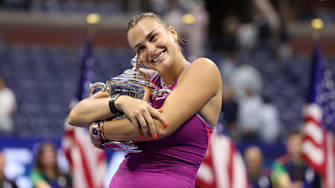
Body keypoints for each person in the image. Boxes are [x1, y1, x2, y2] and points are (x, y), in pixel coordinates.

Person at [67, 12, 223, 188]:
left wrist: (99, 130)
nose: (150, 49)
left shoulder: (203, 69)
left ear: (172, 32)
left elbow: (160, 126)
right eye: (140, 48)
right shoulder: (144, 80)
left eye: (153, 37)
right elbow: (76, 115)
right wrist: (119, 101)